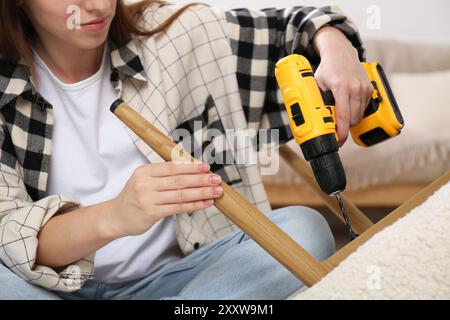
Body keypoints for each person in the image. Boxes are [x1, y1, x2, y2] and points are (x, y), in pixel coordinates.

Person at [0, 0, 372, 300]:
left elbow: (298, 25)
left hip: (186, 281)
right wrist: (115, 215)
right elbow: (11, 238)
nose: (97, 6)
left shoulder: (180, 36)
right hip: (56, 290)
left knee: (304, 230)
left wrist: (335, 47)